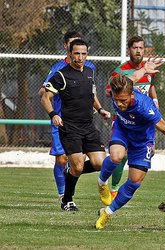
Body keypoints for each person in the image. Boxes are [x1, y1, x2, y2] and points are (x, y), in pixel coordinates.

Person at [95, 73, 165, 230]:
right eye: (117, 100)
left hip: (142, 142)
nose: (119, 104)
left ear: (132, 94)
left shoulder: (144, 107)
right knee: (116, 157)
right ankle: (101, 183)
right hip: (122, 131)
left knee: (134, 182)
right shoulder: (120, 88)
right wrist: (145, 69)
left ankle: (107, 213)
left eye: (124, 101)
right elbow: (131, 79)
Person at [41, 39, 111, 211]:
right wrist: (53, 114)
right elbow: (45, 97)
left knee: (100, 164)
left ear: (87, 54)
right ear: (70, 53)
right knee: (78, 166)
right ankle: (67, 200)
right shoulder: (61, 75)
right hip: (70, 128)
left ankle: (69, 172)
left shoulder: (89, 72)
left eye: (83, 54)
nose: (80, 57)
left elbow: (91, 94)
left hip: (88, 126)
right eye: (77, 53)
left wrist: (100, 109)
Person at [38, 31, 97, 201]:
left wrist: (92, 105)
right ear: (67, 48)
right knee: (62, 158)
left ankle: (71, 182)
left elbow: (92, 90)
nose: (78, 54)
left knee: (84, 161)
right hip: (62, 120)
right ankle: (62, 193)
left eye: (82, 51)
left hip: (82, 121)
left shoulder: (90, 68)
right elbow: (43, 92)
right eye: (74, 48)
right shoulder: (58, 69)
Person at [107, 35, 160, 199]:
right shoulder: (120, 71)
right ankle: (114, 188)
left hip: (143, 120)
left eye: (141, 48)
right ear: (129, 50)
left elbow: (150, 86)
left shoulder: (148, 68)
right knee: (120, 156)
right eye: (135, 48)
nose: (138, 51)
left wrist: (155, 101)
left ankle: (121, 191)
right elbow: (109, 91)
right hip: (125, 119)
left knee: (140, 155)